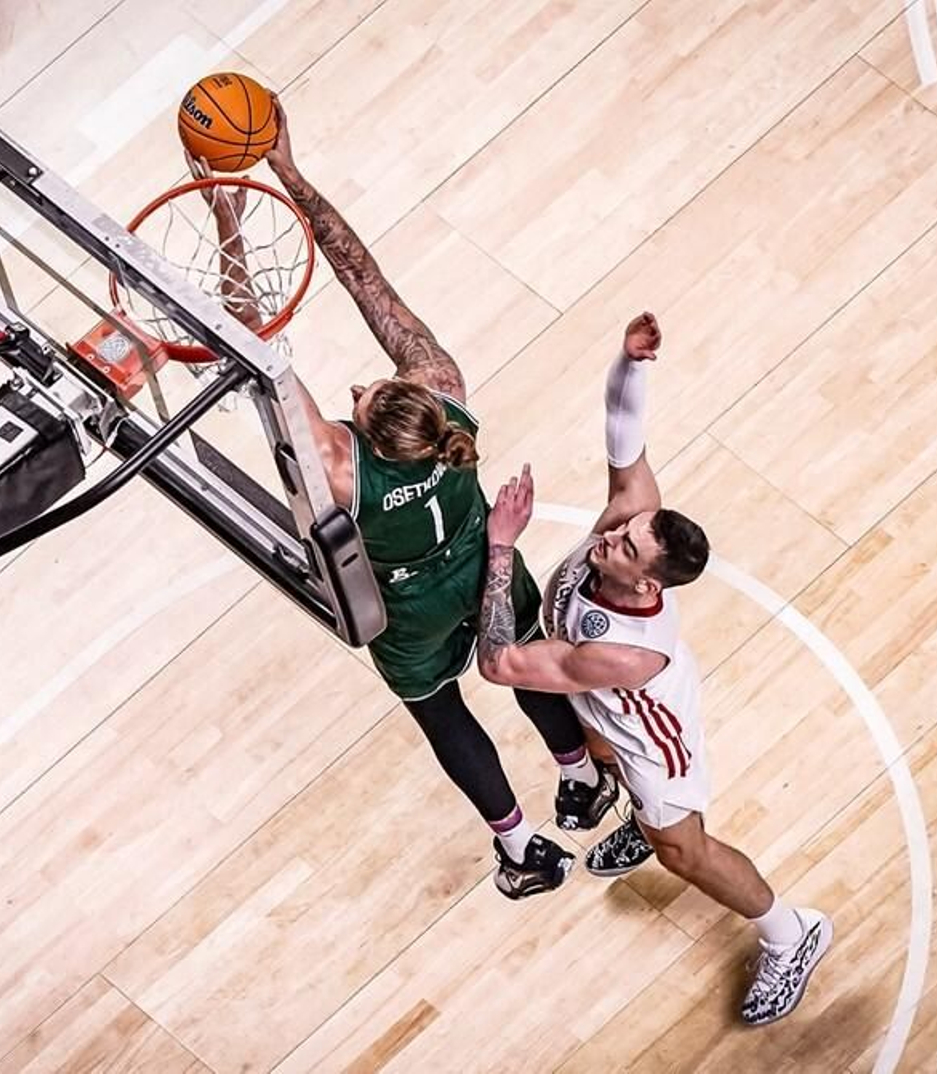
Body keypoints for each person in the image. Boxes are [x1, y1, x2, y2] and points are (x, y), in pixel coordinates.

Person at [198, 104, 621, 898]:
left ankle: (524, 845)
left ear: (367, 431)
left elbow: (253, 347)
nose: (360, 385)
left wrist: (230, 215)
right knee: (526, 662)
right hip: (482, 553)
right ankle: (579, 777)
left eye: (361, 397)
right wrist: (292, 173)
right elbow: (365, 278)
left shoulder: (337, 466)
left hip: (409, 603)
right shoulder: (445, 392)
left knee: (443, 712)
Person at [474, 311, 833, 1025]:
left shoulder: (623, 651)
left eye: (625, 546)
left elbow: (500, 663)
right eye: (621, 529)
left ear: (648, 587)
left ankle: (792, 933)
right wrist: (631, 363)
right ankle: (635, 811)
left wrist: (501, 546)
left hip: (656, 743)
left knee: (683, 850)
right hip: (603, 705)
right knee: (589, 727)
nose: (609, 536)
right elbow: (623, 431)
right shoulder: (632, 520)